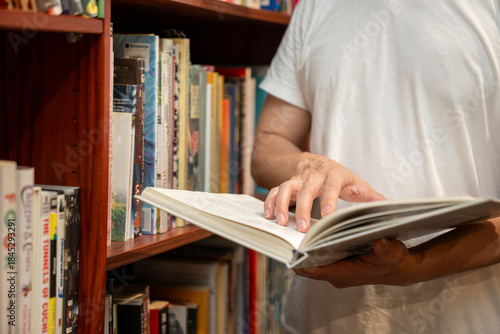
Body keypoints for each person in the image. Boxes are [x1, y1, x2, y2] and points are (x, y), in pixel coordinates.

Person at [251, 0, 500, 332]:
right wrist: (311, 165)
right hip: (316, 318)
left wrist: (417, 265)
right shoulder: (314, 6)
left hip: (466, 319)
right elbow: (268, 143)